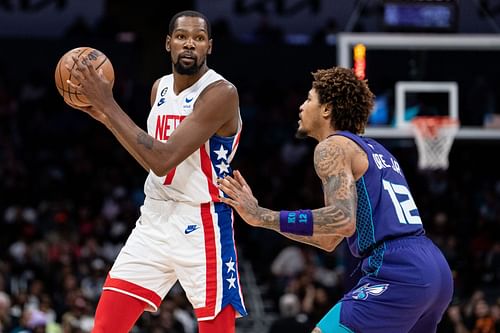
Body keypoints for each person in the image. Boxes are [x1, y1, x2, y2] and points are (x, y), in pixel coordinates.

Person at [218, 66, 453, 333]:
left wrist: (262, 215)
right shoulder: (379, 151)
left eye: (308, 99)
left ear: (327, 109)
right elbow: (328, 240)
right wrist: (263, 222)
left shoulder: (331, 146)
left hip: (400, 270)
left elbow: (342, 220)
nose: (301, 106)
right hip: (434, 270)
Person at [65, 10, 247, 333]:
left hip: (202, 221)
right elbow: (150, 157)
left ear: (209, 46)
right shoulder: (159, 89)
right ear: (168, 43)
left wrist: (108, 104)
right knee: (105, 326)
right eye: (181, 37)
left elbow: (163, 159)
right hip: (155, 218)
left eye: (199, 38)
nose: (189, 44)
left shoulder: (221, 94)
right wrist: (104, 115)